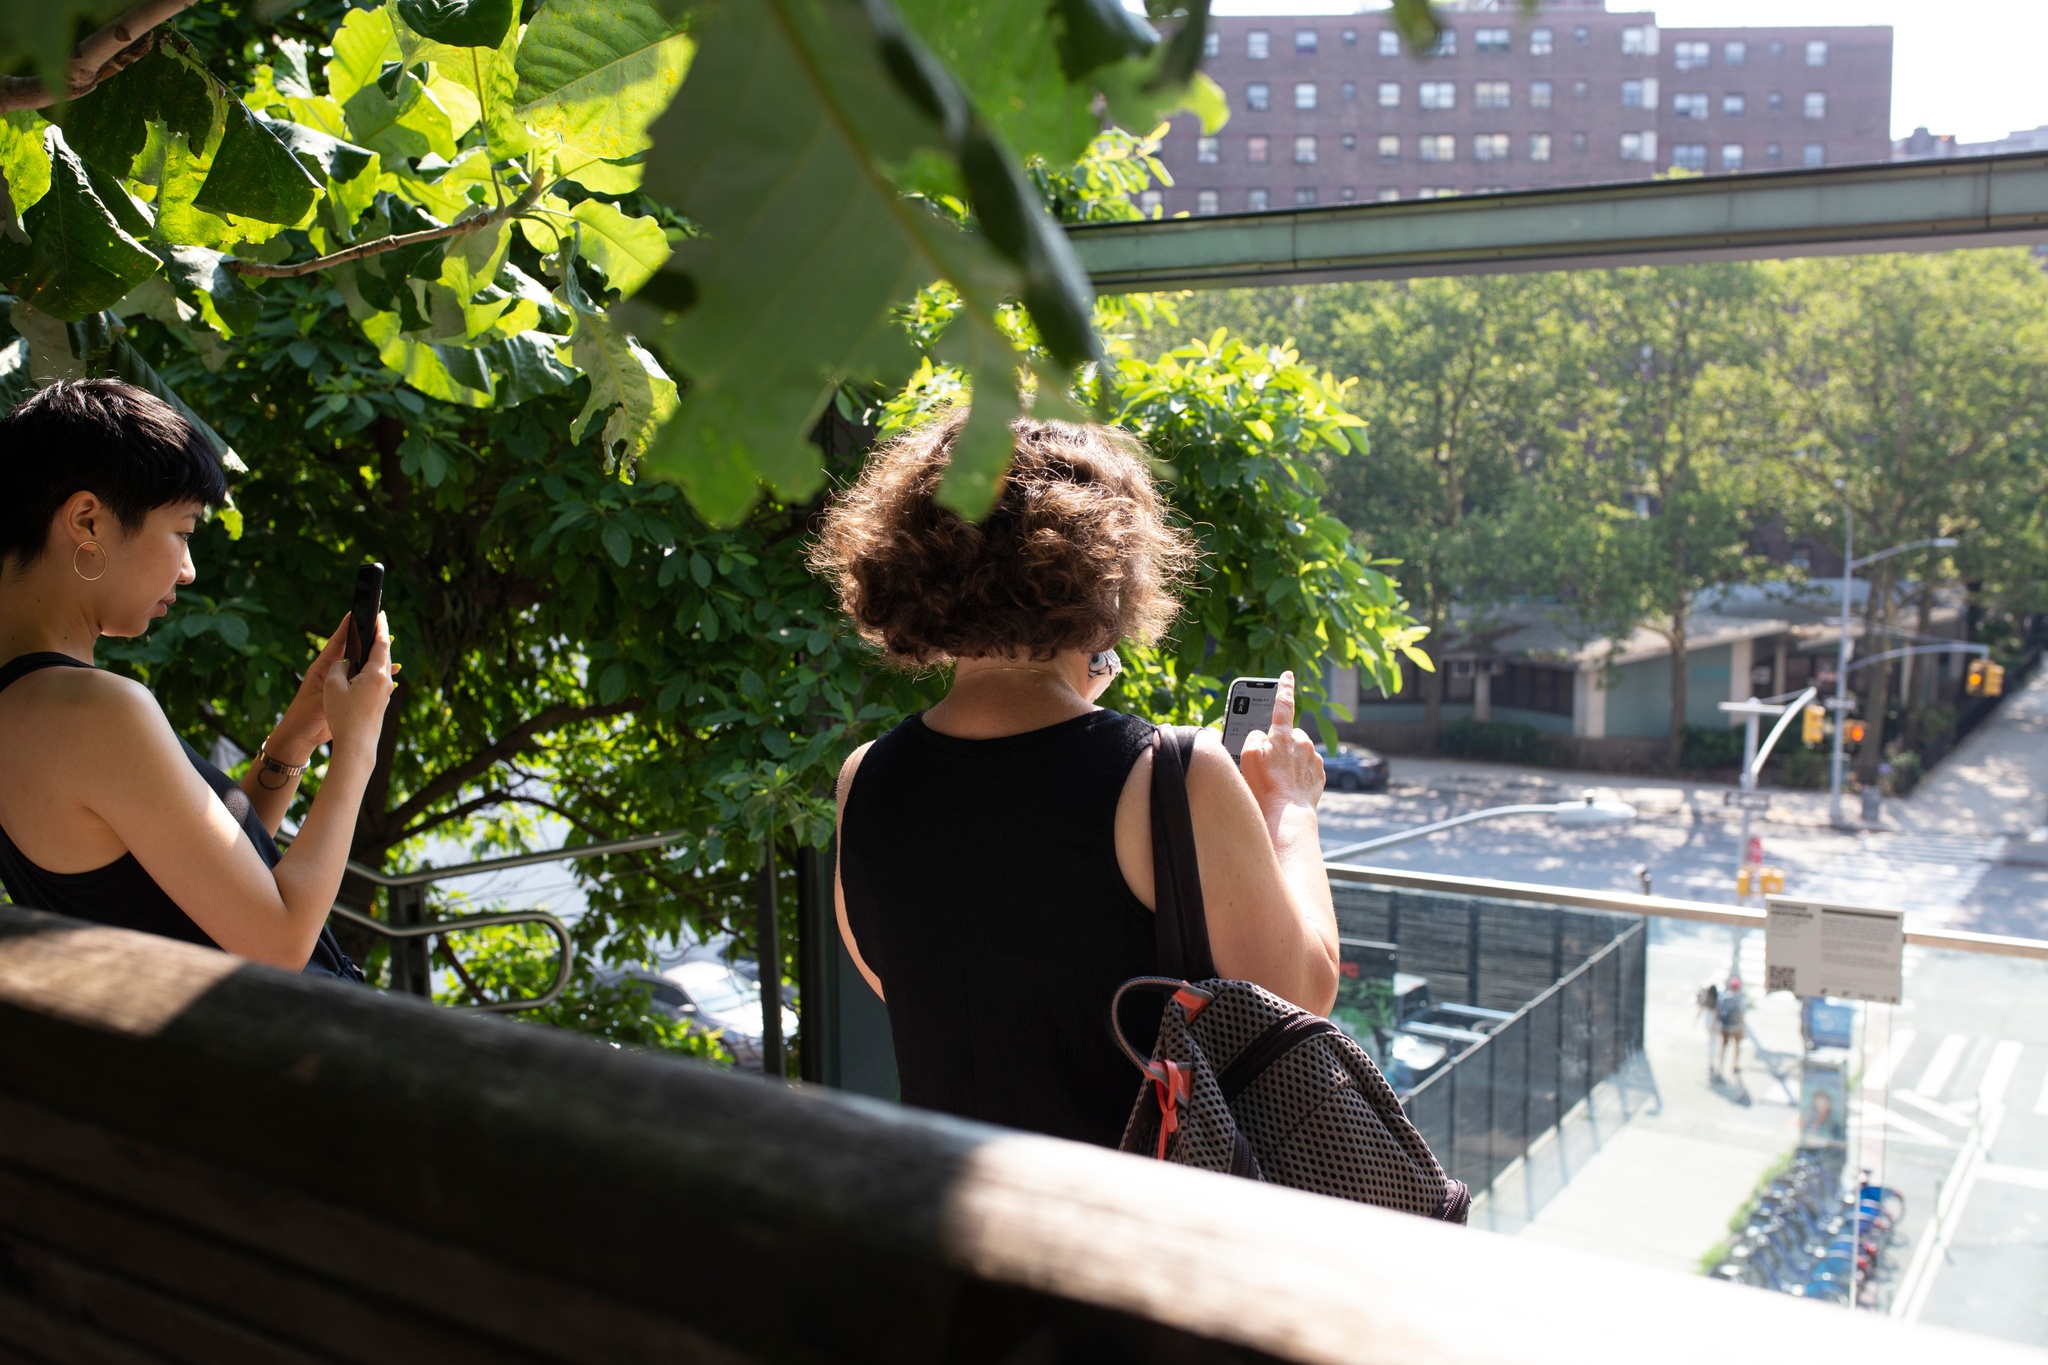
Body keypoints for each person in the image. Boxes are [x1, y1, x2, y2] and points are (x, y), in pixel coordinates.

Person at [810, 411, 1340, 1148]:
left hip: (945, 1218)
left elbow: (927, 982)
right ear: (1110, 569)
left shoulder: (864, 778)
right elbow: (1303, 996)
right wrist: (1289, 805)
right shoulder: (1173, 777)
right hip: (1128, 1234)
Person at [0, 380, 395, 978]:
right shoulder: (93, 710)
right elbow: (280, 942)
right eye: (182, 532)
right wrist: (358, 749)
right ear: (86, 519)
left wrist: (295, 739)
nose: (187, 570)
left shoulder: (27, 702)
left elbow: (199, 880)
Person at [1715, 973, 1748, 1079]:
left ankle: (1720, 1067)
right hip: (1737, 1027)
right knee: (1737, 1046)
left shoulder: (1724, 997)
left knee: (1723, 1047)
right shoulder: (1741, 999)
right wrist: (1743, 1028)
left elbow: (1718, 1011)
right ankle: (1734, 1065)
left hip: (1725, 1026)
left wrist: (1717, 1024)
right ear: (1738, 987)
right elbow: (1743, 1015)